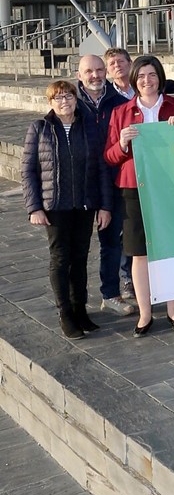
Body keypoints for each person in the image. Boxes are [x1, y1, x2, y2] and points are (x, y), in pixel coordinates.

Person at [104, 55, 174, 336]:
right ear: (134, 81)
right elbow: (109, 156)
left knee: (171, 249)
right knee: (139, 253)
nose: (146, 81)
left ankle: (173, 309)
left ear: (160, 77)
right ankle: (145, 313)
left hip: (171, 187)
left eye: (152, 75)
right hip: (134, 188)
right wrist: (122, 143)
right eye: (141, 76)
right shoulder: (121, 113)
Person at [22, 80, 113, 339]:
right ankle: (65, 313)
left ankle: (80, 308)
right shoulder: (40, 129)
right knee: (60, 259)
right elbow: (28, 171)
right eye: (58, 98)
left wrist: (105, 205)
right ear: (50, 103)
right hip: (55, 207)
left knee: (80, 258)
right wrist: (34, 207)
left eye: (68, 96)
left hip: (84, 204)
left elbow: (102, 169)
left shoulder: (89, 128)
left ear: (76, 98)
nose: (64, 102)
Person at [76, 53, 133, 315]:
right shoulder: (71, 104)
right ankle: (74, 303)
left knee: (112, 240)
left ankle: (111, 293)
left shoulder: (120, 103)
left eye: (99, 70)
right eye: (89, 71)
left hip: (113, 179)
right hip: (81, 184)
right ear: (79, 75)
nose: (95, 75)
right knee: (76, 247)